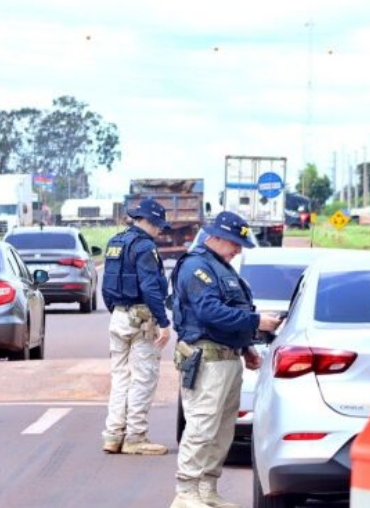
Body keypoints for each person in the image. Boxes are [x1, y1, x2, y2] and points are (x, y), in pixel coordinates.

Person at [168, 211, 282, 508]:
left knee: (222, 429)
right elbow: (210, 312)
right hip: (207, 359)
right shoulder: (196, 267)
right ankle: (186, 491)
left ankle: (207, 488)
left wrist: (246, 347)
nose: (238, 250)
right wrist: (257, 321)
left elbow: (230, 312)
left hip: (228, 358)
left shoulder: (222, 267)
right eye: (234, 242)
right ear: (215, 237)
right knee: (202, 425)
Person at [100, 198, 174, 456]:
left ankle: (113, 435)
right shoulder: (144, 247)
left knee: (120, 377)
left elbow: (107, 286)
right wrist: (163, 322)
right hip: (142, 318)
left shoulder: (115, 243)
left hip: (118, 316)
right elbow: (150, 287)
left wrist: (118, 310)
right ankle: (135, 436)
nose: (159, 230)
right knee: (143, 377)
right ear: (149, 222)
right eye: (158, 225)